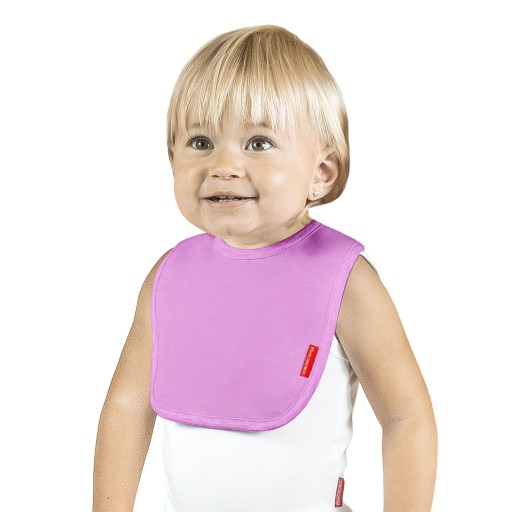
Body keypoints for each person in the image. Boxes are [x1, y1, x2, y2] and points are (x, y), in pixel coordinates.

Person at [92, 25, 437, 512]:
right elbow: (127, 407)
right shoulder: (169, 275)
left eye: (257, 143)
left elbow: (406, 419)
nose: (223, 165)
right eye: (200, 141)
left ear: (321, 173)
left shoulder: (347, 282)